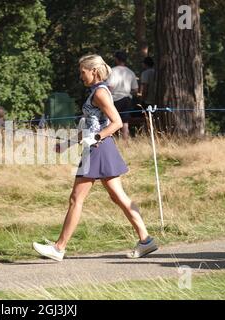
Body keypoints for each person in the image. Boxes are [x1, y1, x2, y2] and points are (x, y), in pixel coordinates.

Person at [32, 54, 158, 262]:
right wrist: (66, 144)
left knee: (76, 198)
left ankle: (59, 247)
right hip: (101, 147)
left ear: (94, 71)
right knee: (118, 196)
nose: (80, 76)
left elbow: (116, 122)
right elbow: (92, 126)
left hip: (98, 149)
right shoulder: (96, 92)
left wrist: (96, 138)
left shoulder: (100, 93)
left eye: (83, 72)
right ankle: (146, 240)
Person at [106, 51, 138, 142]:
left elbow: (110, 87)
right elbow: (135, 90)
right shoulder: (131, 72)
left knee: (110, 120)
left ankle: (109, 141)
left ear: (116, 59)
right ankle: (125, 142)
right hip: (127, 99)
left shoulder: (112, 71)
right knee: (125, 121)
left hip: (115, 99)